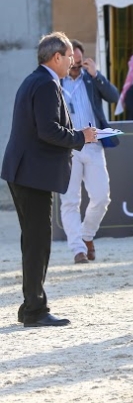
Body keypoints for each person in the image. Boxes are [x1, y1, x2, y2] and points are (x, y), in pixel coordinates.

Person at [2, 32, 97, 327]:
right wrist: (82, 136)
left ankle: (29, 304)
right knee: (37, 242)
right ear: (56, 57)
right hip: (32, 175)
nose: (72, 61)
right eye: (69, 56)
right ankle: (35, 310)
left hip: (26, 172)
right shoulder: (45, 84)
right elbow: (48, 130)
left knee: (33, 240)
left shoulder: (36, 80)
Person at [60, 39, 120, 264]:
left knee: (102, 197)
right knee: (70, 201)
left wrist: (97, 75)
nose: (75, 66)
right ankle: (77, 250)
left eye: (78, 62)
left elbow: (114, 97)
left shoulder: (91, 79)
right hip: (67, 148)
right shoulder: (56, 82)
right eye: (72, 62)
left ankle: (86, 236)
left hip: (93, 145)